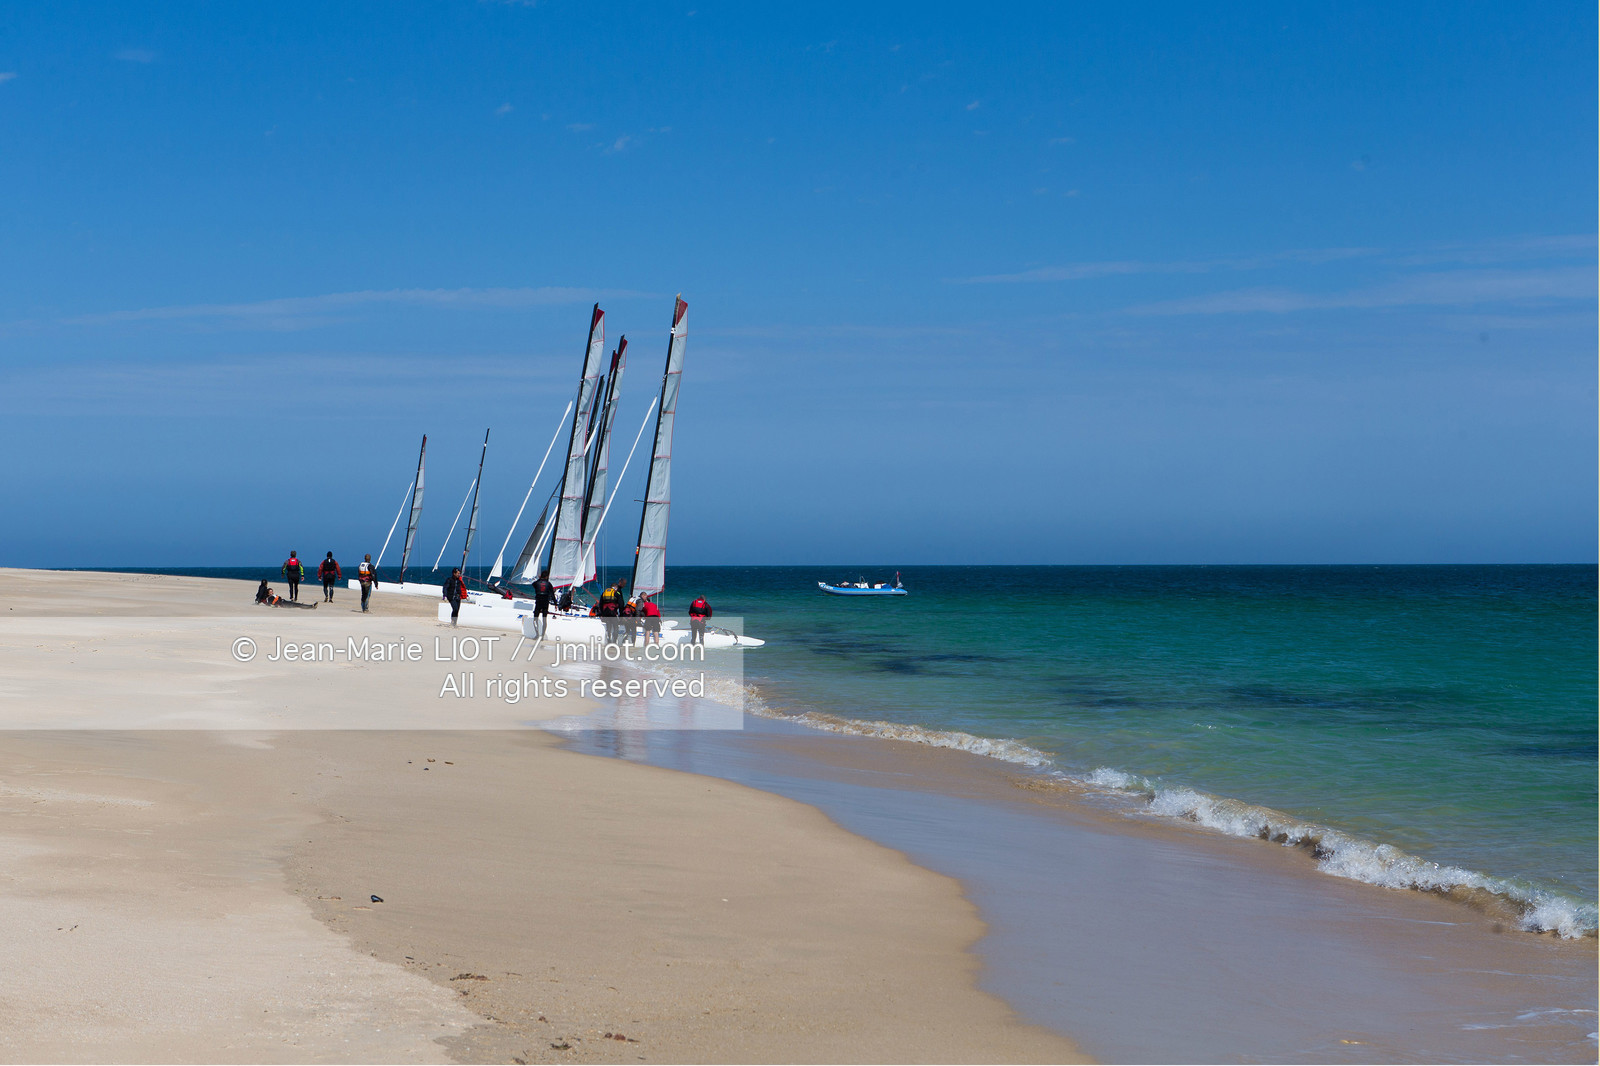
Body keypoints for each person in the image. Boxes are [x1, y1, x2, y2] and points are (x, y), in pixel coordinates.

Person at [529, 569, 556, 639]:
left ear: (541, 576)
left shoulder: (536, 583)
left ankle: (537, 634)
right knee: (544, 619)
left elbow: (533, 584)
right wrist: (556, 604)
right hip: (545, 603)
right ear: (547, 577)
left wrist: (539, 579)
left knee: (535, 618)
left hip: (538, 602)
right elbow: (552, 595)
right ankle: (542, 635)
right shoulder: (549, 584)